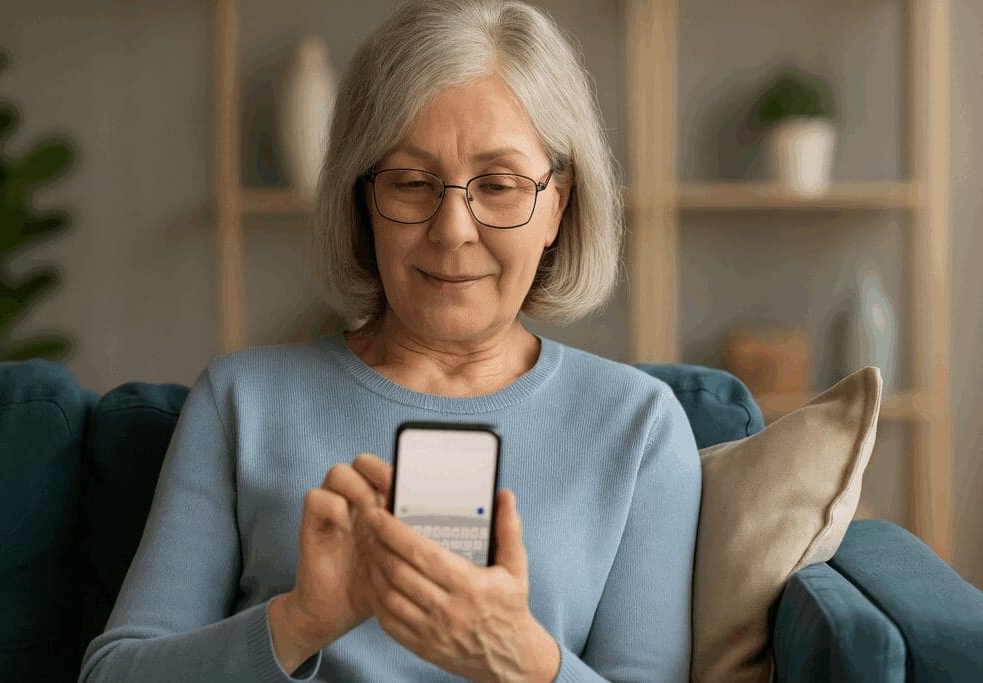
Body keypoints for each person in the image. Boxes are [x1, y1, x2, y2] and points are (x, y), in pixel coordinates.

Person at [78, 0, 701, 680]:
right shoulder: (240, 402)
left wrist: (525, 661)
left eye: (498, 185)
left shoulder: (640, 427)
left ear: (558, 203)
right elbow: (113, 673)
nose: (452, 229)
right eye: (410, 183)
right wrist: (299, 621)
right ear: (358, 199)